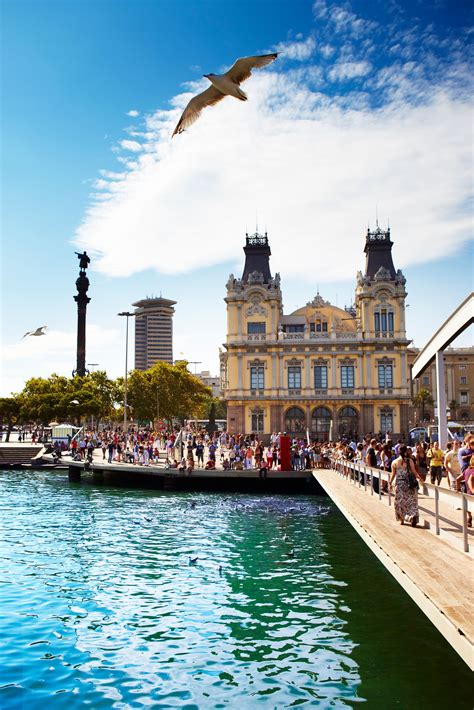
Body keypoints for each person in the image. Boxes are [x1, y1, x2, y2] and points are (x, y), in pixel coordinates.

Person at [390, 445, 423, 526]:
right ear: (406, 452)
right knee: (411, 501)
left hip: (399, 485)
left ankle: (402, 520)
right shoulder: (410, 461)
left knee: (400, 503)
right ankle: (412, 516)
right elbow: (414, 472)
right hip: (409, 485)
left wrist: (390, 483)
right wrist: (420, 478)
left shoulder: (394, 462)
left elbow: (393, 474)